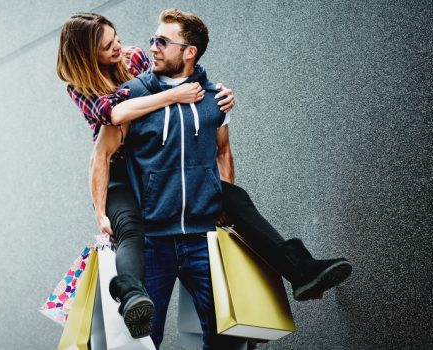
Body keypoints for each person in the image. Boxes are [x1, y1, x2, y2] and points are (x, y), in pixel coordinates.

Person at [91, 9, 353, 348]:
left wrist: (222, 202)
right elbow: (102, 153)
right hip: (154, 241)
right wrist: (101, 210)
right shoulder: (135, 96)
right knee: (141, 341)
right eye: (154, 39)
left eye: (162, 41)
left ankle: (302, 271)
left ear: (189, 52)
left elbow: (223, 152)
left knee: (231, 335)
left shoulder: (217, 98)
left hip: (202, 237)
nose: (152, 47)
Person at [56, 12, 237, 339]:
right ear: (87, 55)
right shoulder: (80, 86)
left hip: (151, 161)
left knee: (236, 203)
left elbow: (168, 81)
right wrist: (99, 211)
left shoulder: (136, 57)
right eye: (108, 46)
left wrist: (212, 91)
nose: (119, 48)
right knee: (129, 228)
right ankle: (131, 295)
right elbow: (112, 114)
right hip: (120, 168)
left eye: (117, 39)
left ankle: (297, 265)